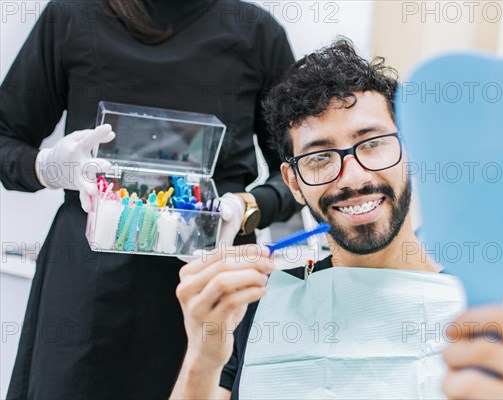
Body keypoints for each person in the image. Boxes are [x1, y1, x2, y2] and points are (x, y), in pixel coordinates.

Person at [171, 41, 503, 399]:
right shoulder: (257, 310)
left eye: (373, 144)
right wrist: (203, 357)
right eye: (320, 157)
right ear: (292, 182)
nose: (354, 177)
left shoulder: (485, 318)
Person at [0, 0, 298, 398]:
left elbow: (300, 169)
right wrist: (48, 167)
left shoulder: (257, 32)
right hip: (89, 292)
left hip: (210, 286)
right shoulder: (73, 15)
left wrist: (247, 207)